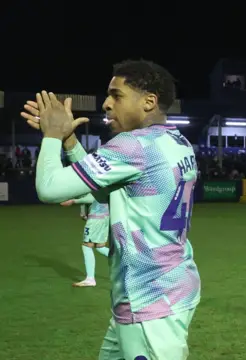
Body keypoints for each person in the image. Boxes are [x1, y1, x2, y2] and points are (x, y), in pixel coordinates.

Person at [21, 60, 200, 360]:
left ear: (148, 102)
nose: (106, 104)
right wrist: (69, 142)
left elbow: (49, 187)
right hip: (165, 288)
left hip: (148, 304)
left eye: (116, 95)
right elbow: (102, 190)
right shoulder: (176, 141)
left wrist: (51, 136)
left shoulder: (133, 145)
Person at [61, 195, 110, 287]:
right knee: (100, 247)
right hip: (104, 218)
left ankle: (90, 279)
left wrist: (73, 201)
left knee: (86, 245)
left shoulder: (98, 187)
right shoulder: (106, 184)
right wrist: (83, 212)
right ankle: (127, 260)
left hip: (96, 220)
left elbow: (92, 197)